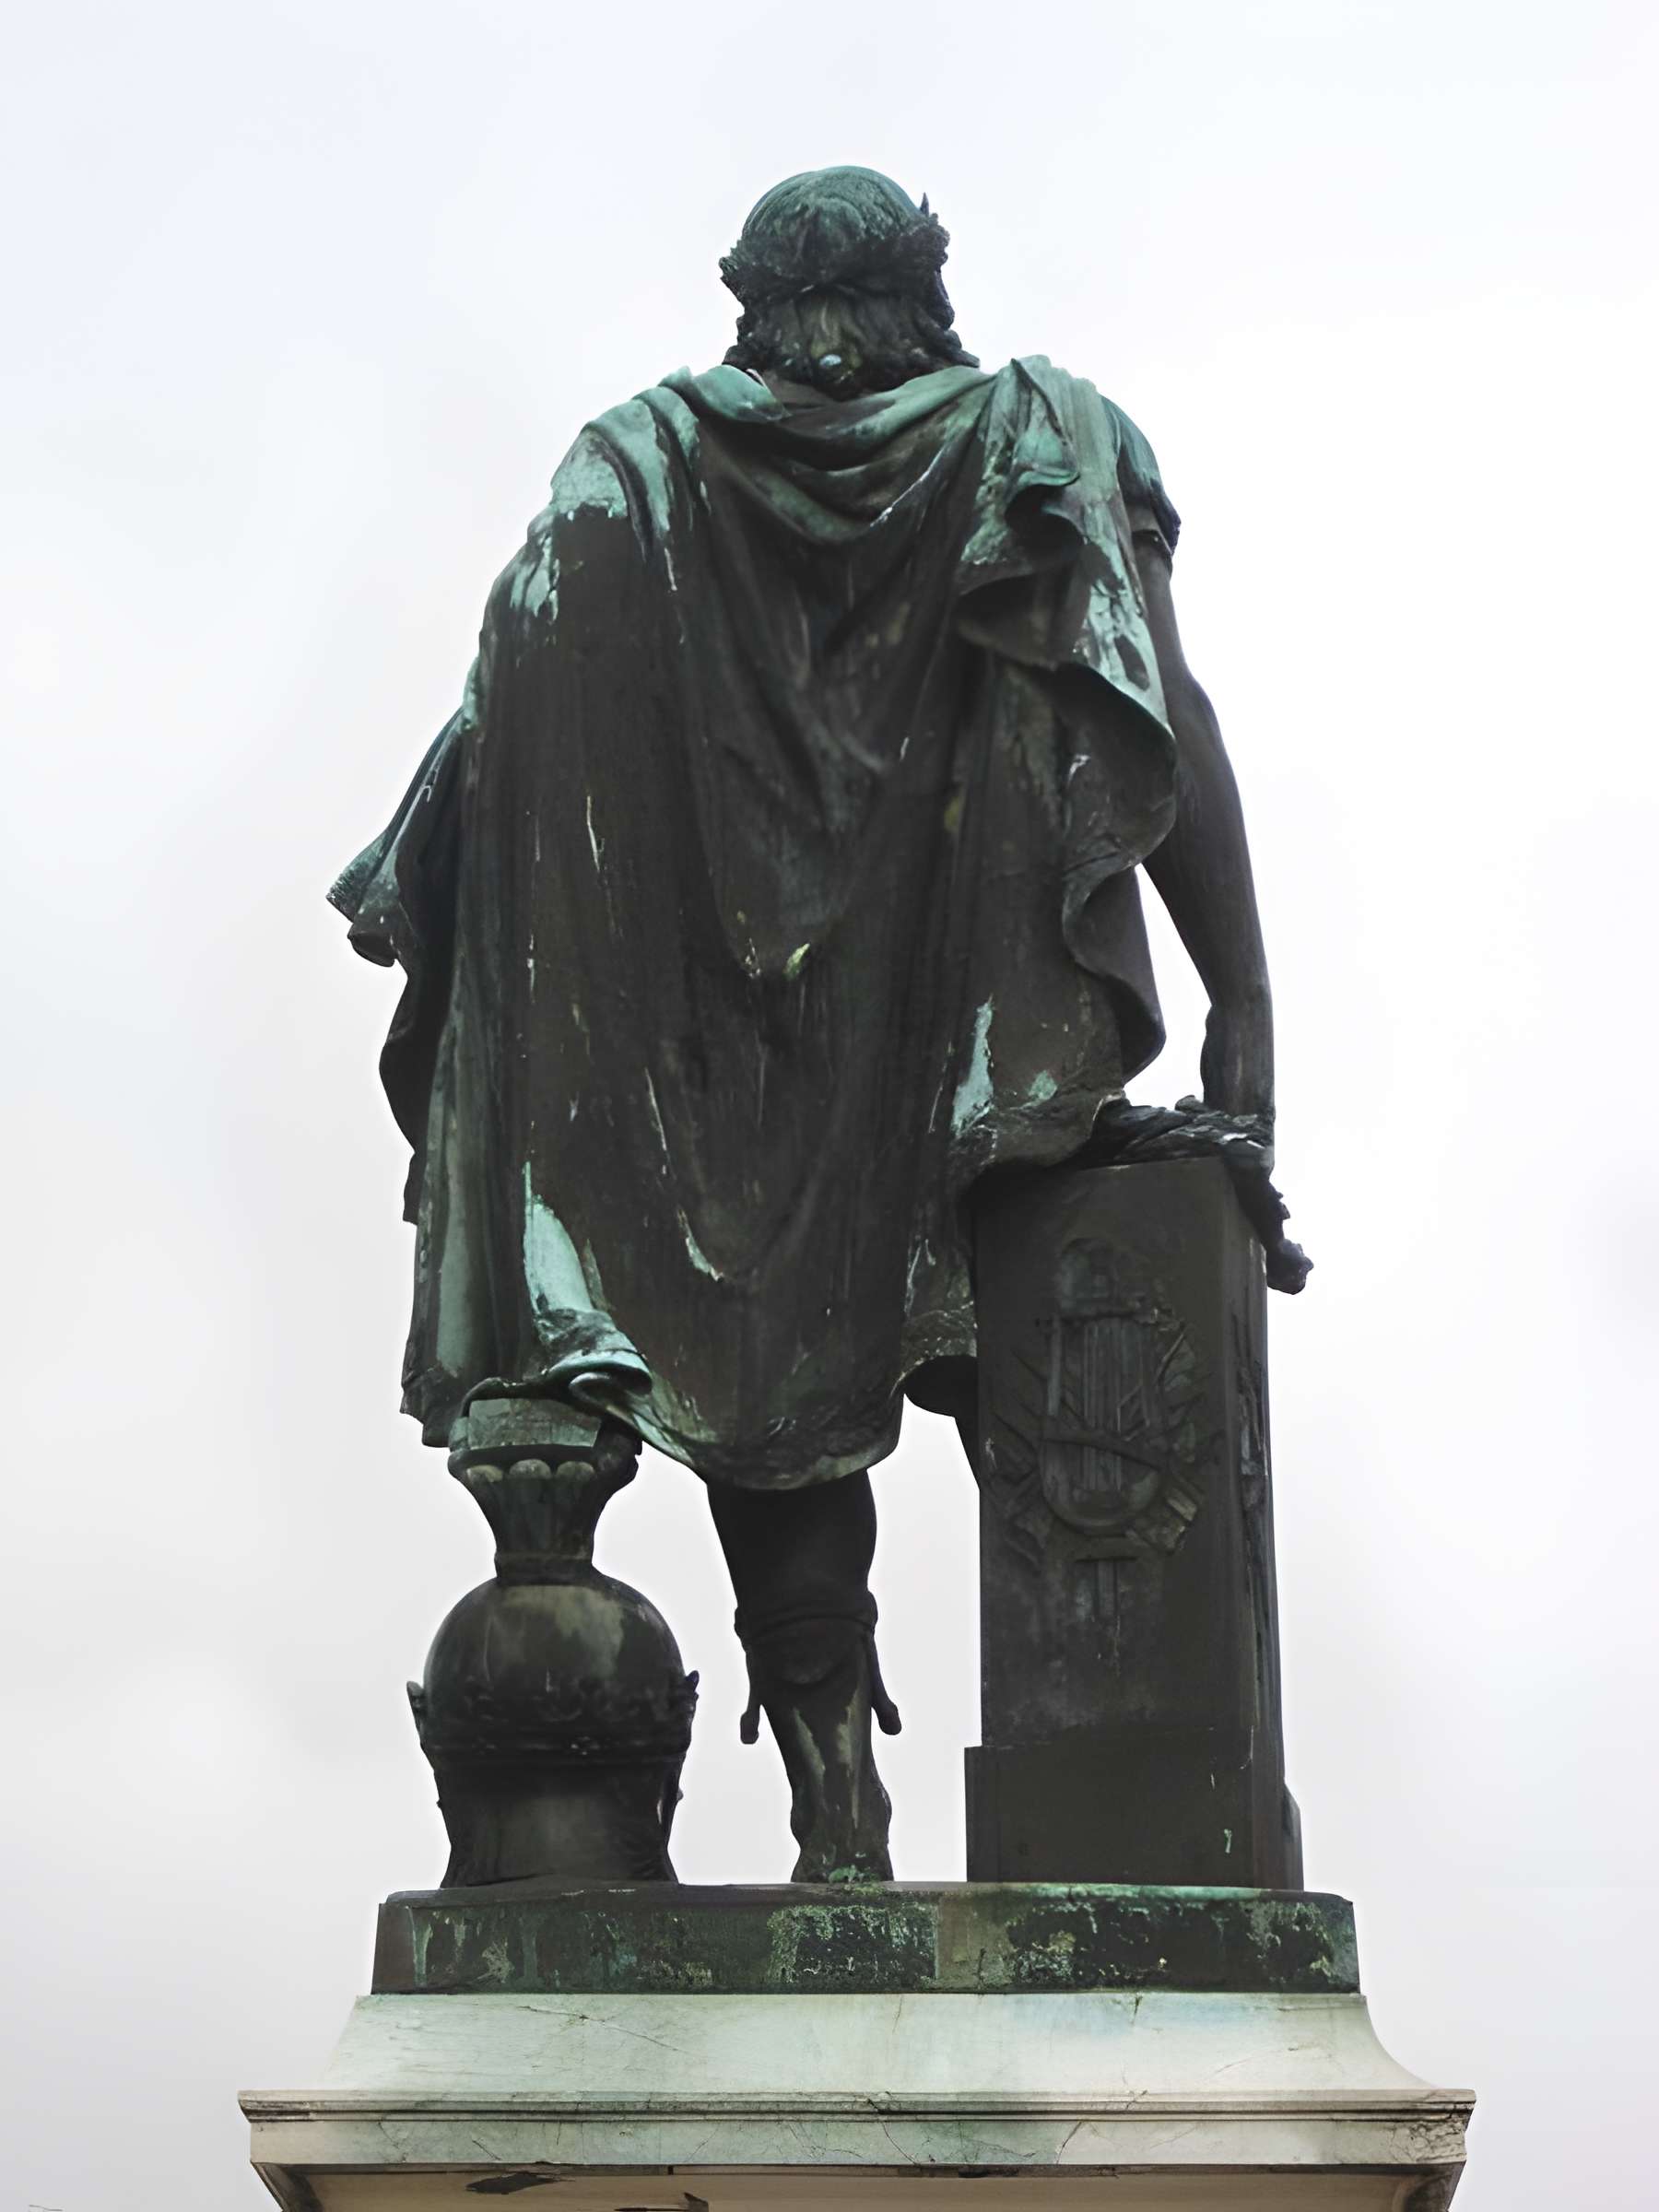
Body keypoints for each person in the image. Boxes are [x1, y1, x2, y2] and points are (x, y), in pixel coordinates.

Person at [332, 167, 1277, 1879]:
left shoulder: (626, 470)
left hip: (710, 1046)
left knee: (752, 1341)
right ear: (928, 286)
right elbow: (1163, 712)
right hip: (976, 1019)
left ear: (746, 297)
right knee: (1050, 1368)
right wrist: (1244, 1004)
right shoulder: (1044, 440)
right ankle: (1132, 1807)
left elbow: (502, 721)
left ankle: (840, 1800)